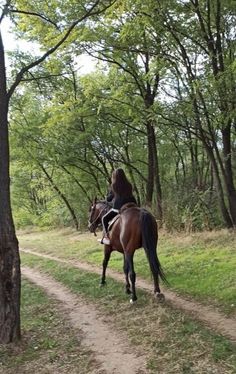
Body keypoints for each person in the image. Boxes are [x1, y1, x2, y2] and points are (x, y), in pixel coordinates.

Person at [100, 168, 137, 245]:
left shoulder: (114, 185)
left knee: (104, 218)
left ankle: (106, 237)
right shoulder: (129, 184)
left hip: (119, 207)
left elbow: (109, 199)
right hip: (133, 205)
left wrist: (106, 196)